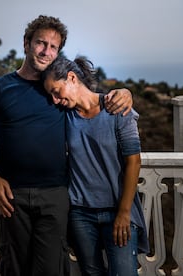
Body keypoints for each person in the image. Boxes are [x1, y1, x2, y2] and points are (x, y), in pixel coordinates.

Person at [0, 15, 133, 276]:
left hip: (55, 195)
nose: (46, 51)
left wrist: (126, 93)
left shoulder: (58, 90)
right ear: (26, 43)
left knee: (51, 270)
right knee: (14, 268)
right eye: (40, 43)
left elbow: (92, 101)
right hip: (12, 196)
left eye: (53, 47)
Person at [41, 55, 149, 276]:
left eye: (56, 91)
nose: (54, 99)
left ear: (71, 78)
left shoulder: (116, 110)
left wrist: (124, 212)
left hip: (118, 211)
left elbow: (133, 162)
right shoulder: (65, 115)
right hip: (80, 214)